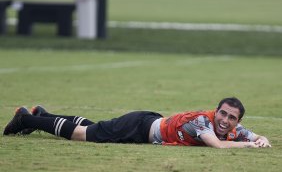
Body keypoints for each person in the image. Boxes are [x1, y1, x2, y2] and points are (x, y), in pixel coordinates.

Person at [3, 97, 271, 148]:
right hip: (140, 127)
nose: (225, 120)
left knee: (96, 128)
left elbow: (256, 136)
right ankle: (26, 118)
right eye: (222, 114)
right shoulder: (203, 122)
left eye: (231, 118)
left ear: (237, 121)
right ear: (216, 111)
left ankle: (41, 114)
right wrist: (249, 147)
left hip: (145, 125)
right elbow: (217, 146)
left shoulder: (235, 130)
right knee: (84, 135)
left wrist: (261, 140)